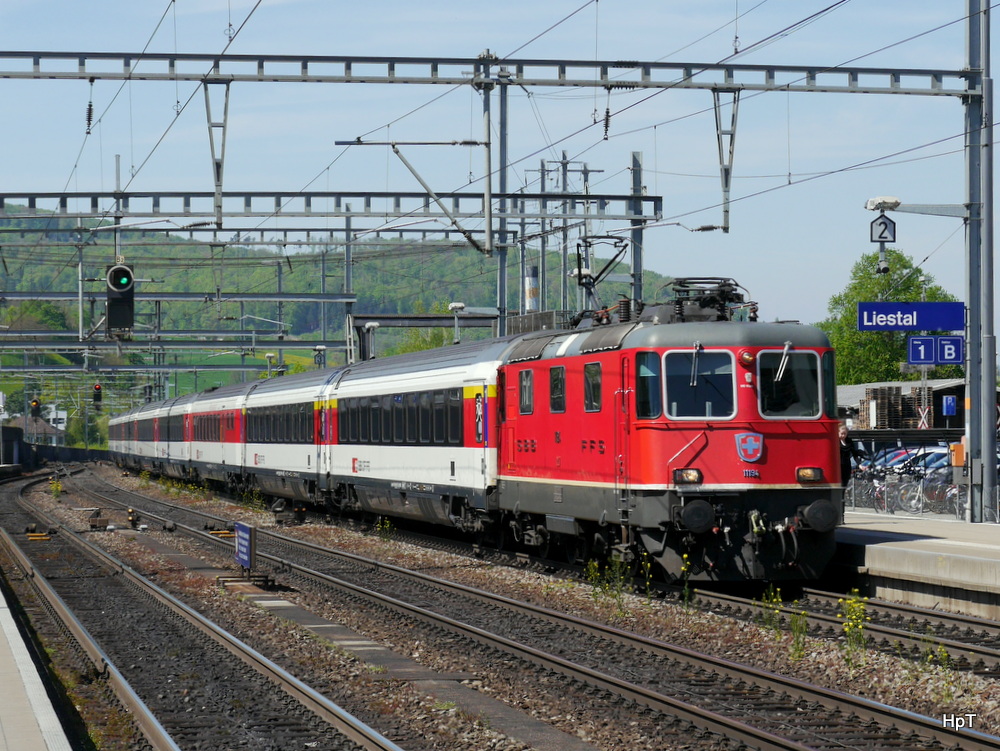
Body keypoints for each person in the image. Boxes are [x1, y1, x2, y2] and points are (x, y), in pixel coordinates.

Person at [839, 422, 866, 487]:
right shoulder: (835, 441)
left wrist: (859, 464)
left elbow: (854, 454)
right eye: (842, 434)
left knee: (845, 483)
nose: (843, 435)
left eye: (845, 434)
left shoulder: (849, 441)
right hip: (838, 465)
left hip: (847, 465)